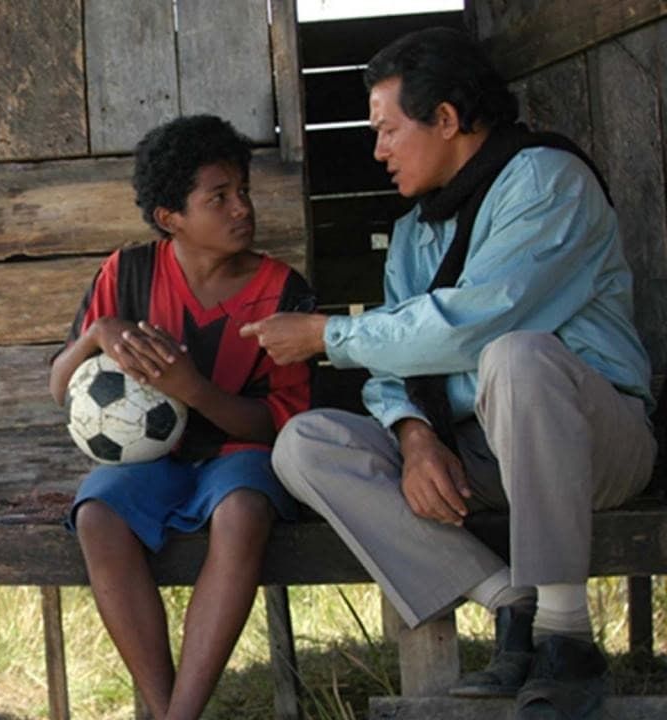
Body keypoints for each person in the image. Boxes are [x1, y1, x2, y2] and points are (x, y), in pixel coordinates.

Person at [240, 27, 656, 720]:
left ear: (448, 120)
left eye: (387, 130)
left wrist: (327, 335)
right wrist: (412, 436)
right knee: (305, 444)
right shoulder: (414, 232)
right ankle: (508, 604)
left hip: (592, 444)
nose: (377, 150)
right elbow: (395, 361)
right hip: (477, 456)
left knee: (514, 355)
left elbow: (476, 323)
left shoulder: (547, 182)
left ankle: (565, 635)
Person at [49, 114, 313, 719]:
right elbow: (60, 387)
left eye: (242, 191)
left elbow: (280, 422)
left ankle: (182, 715)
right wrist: (96, 334)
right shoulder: (130, 273)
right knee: (96, 514)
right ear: (171, 218)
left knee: (243, 511)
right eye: (217, 197)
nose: (240, 208)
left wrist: (192, 389)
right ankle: (167, 708)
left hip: (241, 457)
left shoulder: (282, 290)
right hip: (151, 461)